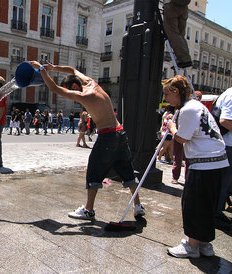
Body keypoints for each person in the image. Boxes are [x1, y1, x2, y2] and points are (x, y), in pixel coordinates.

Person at [29, 60, 145, 220]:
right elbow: (73, 70)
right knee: (127, 170)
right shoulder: (91, 82)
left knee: (93, 171)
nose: (72, 96)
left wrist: (41, 68)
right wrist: (54, 67)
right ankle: (138, 205)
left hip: (107, 136)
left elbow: (54, 88)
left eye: (70, 91)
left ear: (74, 87)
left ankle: (88, 210)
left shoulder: (85, 95)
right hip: (120, 133)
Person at [165, 75, 228, 258]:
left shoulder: (189, 109)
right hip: (216, 162)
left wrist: (171, 126)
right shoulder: (196, 106)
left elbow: (181, 138)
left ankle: (192, 245)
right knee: (207, 206)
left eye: (167, 94)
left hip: (205, 164)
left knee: (193, 204)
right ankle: (204, 243)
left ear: (176, 92)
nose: (166, 99)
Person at [214, 76, 232, 225]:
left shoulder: (229, 93)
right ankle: (215, 214)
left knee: (224, 181)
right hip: (229, 146)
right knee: (223, 181)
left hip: (228, 145)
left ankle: (217, 210)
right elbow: (225, 121)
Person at [163, 0, 192, 68]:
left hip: (171, 5)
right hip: (184, 7)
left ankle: (184, 59)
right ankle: (185, 58)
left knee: (172, 33)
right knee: (180, 35)